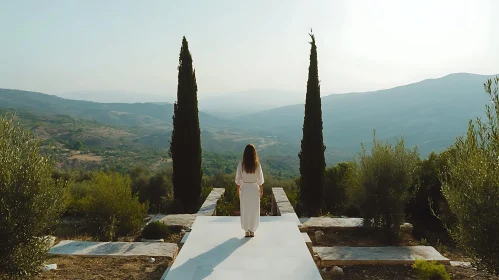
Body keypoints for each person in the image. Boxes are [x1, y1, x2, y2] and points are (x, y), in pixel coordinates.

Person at [235, 144, 264, 237]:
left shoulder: (241, 165)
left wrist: (238, 190)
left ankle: (246, 230)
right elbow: (260, 180)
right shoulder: (257, 165)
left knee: (245, 209)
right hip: (254, 189)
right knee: (254, 210)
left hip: (245, 189)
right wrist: (261, 189)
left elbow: (238, 180)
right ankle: (252, 230)